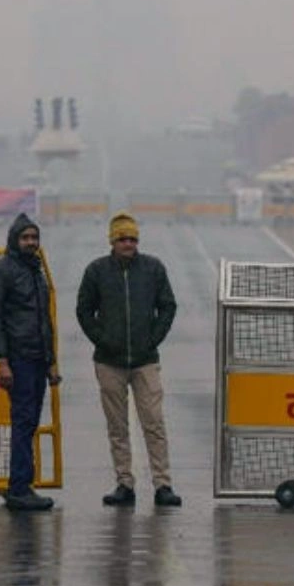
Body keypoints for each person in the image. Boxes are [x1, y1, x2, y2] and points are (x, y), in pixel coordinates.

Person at [76, 211, 181, 507]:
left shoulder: (153, 268)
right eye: (123, 238)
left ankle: (163, 484)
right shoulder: (96, 271)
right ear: (112, 240)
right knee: (117, 426)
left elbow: (168, 306)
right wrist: (103, 339)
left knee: (154, 423)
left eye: (133, 238)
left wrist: (153, 338)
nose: (128, 243)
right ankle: (124, 483)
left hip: (145, 360)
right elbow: (84, 310)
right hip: (109, 362)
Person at [0, 212, 60, 512]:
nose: (31, 242)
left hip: (38, 358)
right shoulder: (2, 271)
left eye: (34, 238)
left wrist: (51, 362)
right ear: (14, 241)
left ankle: (21, 485)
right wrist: (2, 361)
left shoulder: (35, 271)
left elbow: (45, 321)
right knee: (23, 422)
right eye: (25, 238)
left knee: (28, 423)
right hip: (18, 360)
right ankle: (19, 488)